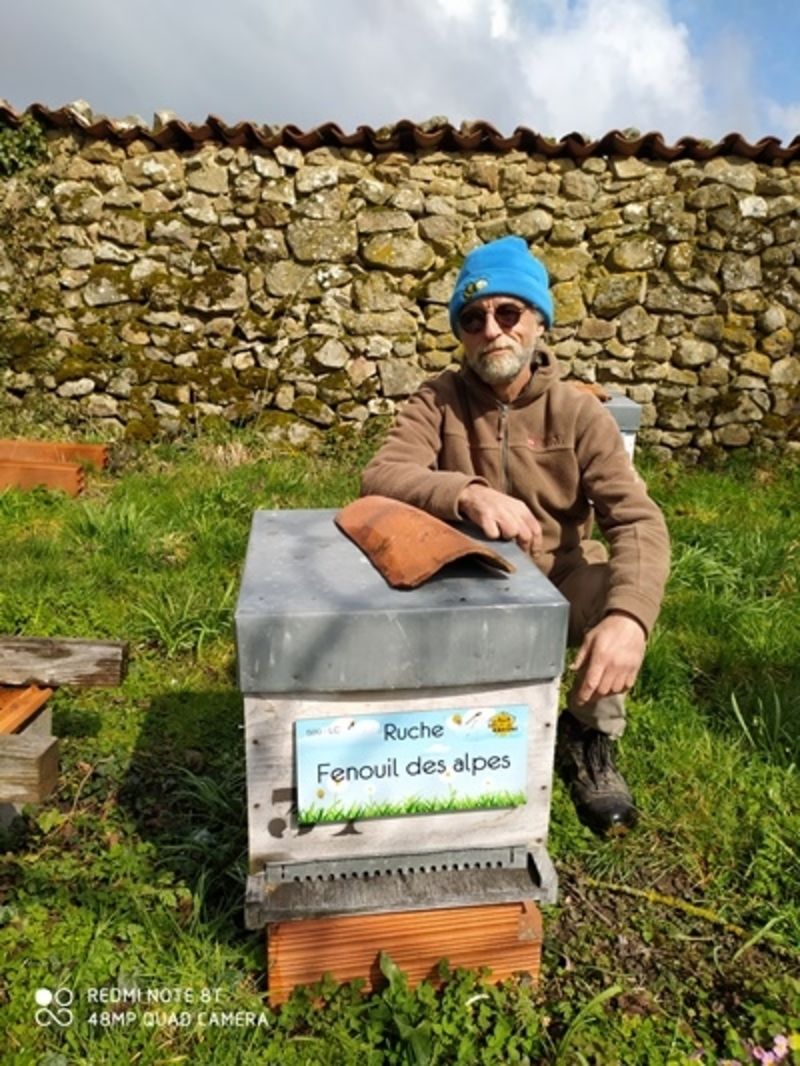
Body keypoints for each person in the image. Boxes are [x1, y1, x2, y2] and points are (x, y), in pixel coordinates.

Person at [360, 235, 670, 837]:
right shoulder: (437, 400)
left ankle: (588, 738)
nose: (492, 330)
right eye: (473, 319)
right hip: (465, 576)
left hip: (558, 576)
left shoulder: (581, 415)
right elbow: (381, 474)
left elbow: (636, 520)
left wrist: (629, 620)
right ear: (461, 333)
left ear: (538, 323)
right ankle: (439, 741)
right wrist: (467, 492)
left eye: (509, 313)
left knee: (618, 591)